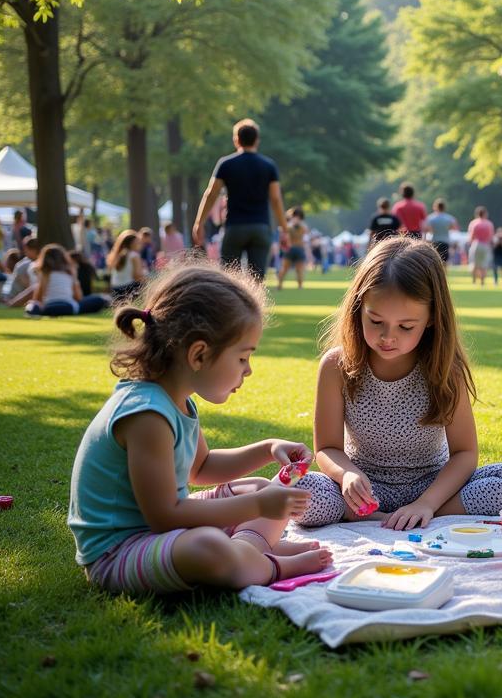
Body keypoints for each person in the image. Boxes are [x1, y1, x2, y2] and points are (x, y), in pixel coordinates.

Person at [68, 259, 331, 594]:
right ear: (199, 355)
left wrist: (267, 449)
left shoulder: (177, 400)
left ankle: (250, 549)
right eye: (242, 357)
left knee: (254, 487)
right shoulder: (147, 416)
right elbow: (164, 515)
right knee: (207, 546)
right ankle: (267, 563)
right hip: (120, 551)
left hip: (158, 534)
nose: (248, 370)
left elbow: (202, 468)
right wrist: (258, 508)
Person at [294, 236, 502, 528]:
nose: (388, 337)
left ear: (432, 318)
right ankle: (367, 513)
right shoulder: (336, 366)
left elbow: (465, 453)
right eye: (376, 321)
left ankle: (409, 516)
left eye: (406, 326)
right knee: (300, 492)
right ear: (359, 309)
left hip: (433, 487)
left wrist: (426, 504)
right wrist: (347, 475)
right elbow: (326, 448)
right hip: (365, 489)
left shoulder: (445, 369)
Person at [193, 118, 288, 281]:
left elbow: (211, 194)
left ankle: (230, 306)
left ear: (236, 139)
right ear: (257, 140)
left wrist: (199, 223)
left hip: (235, 227)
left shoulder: (226, 164)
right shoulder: (269, 166)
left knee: (229, 280)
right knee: (257, 280)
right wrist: (284, 229)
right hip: (260, 227)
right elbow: (276, 199)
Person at [25, 244, 110, 316]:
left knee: (32, 304)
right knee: (99, 299)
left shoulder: (44, 274)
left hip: (49, 308)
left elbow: (37, 299)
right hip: (69, 307)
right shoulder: (70, 273)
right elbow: (79, 298)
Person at [107, 229, 147, 302]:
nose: (140, 244)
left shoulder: (116, 255)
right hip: (128, 290)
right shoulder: (134, 255)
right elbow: (137, 276)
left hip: (115, 291)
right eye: (138, 242)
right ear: (132, 243)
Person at [2, 236, 41, 306]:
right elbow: (29, 287)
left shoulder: (34, 263)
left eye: (26, 249)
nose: (25, 252)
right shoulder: (25, 265)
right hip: (15, 298)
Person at [277, 207, 309, 290]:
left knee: (299, 270)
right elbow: (282, 232)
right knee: (284, 269)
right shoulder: (288, 226)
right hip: (290, 249)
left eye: (299, 217)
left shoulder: (303, 227)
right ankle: (279, 285)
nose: (297, 218)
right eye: (295, 216)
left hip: (299, 249)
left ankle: (300, 286)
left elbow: (305, 239)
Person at [465, 206, 495, 287]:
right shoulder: (489, 224)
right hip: (485, 245)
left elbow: (471, 237)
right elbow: (491, 237)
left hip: (476, 244)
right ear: (485, 214)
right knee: (484, 264)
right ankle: (482, 282)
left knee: (474, 263)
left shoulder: (474, 223)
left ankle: (474, 280)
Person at [424, 199, 457, 263]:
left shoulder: (431, 218)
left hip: (435, 241)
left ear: (435, 207)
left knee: (435, 262)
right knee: (444, 262)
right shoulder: (449, 218)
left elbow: (427, 230)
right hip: (445, 241)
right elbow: (454, 228)